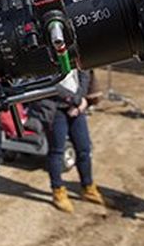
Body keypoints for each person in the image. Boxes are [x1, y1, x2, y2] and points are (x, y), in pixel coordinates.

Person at [26, 69, 106, 213]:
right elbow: (49, 84)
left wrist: (80, 100)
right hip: (54, 109)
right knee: (57, 151)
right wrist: (76, 100)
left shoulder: (74, 51)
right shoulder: (45, 54)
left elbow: (84, 72)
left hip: (76, 106)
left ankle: (88, 187)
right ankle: (58, 192)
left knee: (84, 148)